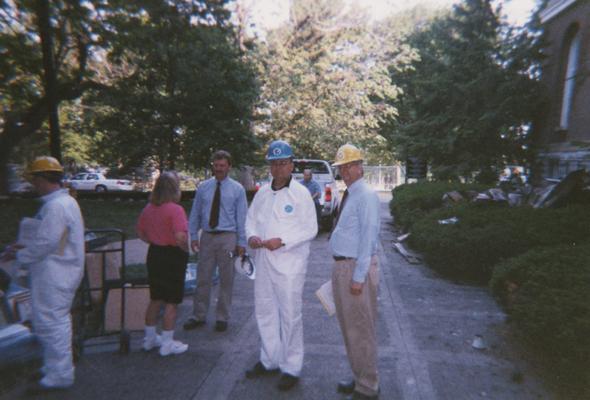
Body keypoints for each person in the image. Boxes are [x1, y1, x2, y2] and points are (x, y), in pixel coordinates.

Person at [2, 156, 85, 392]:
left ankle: (59, 374)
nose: (33, 184)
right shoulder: (62, 203)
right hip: (58, 272)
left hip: (55, 274)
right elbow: (48, 240)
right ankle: (54, 368)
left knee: (52, 323)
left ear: (43, 178)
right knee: (50, 322)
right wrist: (24, 248)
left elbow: (46, 243)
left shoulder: (56, 207)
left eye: (35, 179)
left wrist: (20, 255)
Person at [244, 140, 318, 391]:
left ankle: (291, 367)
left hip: (290, 265)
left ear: (292, 165)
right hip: (263, 261)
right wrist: (252, 236)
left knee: (289, 315)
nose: (278, 168)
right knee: (265, 310)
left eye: (283, 163)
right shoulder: (263, 192)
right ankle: (270, 360)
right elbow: (251, 219)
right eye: (273, 163)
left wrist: (283, 241)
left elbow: (310, 229)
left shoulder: (301, 194)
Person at [329, 144, 381, 400]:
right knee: (350, 328)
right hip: (343, 266)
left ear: (360, 166)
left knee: (360, 329)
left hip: (354, 268)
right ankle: (360, 376)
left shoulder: (366, 195)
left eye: (350, 166)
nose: (345, 172)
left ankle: (368, 387)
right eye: (342, 167)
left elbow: (369, 239)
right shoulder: (350, 193)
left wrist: (359, 277)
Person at [183, 150, 248, 332]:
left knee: (227, 280)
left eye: (222, 166)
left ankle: (222, 317)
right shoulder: (203, 187)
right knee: (203, 277)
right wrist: (194, 236)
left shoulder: (237, 189)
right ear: (213, 165)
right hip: (208, 237)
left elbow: (241, 217)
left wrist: (241, 243)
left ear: (229, 167)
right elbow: (195, 213)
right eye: (216, 165)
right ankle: (198, 315)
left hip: (228, 238)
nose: (219, 169)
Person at [137, 171, 189, 356]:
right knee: (172, 301)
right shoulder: (176, 210)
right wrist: (186, 248)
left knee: (156, 298)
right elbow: (180, 236)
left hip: (155, 254)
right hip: (172, 256)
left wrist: (156, 240)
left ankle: (149, 339)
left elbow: (141, 234)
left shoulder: (148, 208)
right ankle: (167, 343)